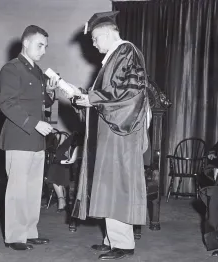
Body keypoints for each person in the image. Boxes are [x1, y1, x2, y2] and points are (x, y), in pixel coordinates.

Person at [65, 11, 151, 260]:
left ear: (105, 33)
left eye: (94, 38)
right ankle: (112, 238)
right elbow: (110, 93)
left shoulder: (125, 52)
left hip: (120, 132)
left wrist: (90, 99)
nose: (93, 44)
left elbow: (127, 93)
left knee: (117, 187)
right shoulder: (116, 57)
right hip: (111, 131)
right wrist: (83, 97)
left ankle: (123, 244)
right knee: (108, 185)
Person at [0, 25, 58, 251]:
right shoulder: (11, 69)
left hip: (36, 138)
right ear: (26, 43)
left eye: (45, 46)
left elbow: (42, 103)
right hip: (20, 136)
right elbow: (7, 103)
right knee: (17, 189)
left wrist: (50, 92)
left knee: (33, 189)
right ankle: (14, 236)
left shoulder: (37, 71)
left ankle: (29, 232)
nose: (43, 50)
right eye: (39, 45)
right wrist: (34, 123)